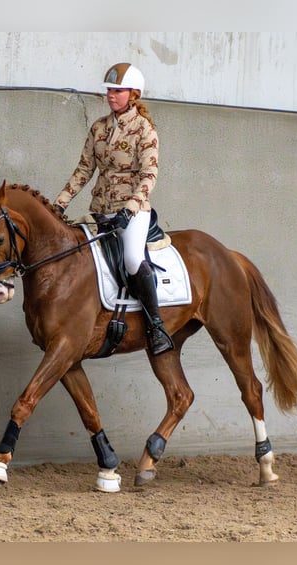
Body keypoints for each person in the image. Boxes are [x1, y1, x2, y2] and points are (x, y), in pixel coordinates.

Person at [55, 62, 174, 355]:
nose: (111, 95)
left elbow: (149, 175)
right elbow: (84, 170)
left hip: (132, 212)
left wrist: (130, 208)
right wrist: (58, 203)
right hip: (101, 210)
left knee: (133, 259)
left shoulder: (145, 130)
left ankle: (156, 326)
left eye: (117, 91)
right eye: (109, 90)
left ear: (133, 94)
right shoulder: (98, 127)